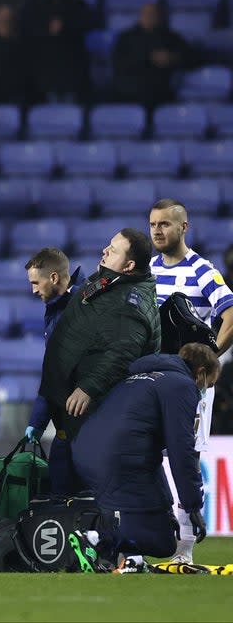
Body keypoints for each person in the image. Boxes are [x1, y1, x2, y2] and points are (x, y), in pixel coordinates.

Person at [68, 344, 216, 573]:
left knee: (161, 518)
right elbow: (182, 450)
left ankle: (133, 559)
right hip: (120, 456)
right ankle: (96, 538)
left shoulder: (138, 378)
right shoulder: (182, 386)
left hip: (89, 450)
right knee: (163, 541)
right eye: (210, 383)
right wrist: (193, 505)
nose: (206, 389)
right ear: (201, 372)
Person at [147, 199, 233, 565]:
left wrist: (209, 359)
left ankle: (183, 551)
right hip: (153, 379)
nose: (157, 231)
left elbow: (230, 315)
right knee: (147, 455)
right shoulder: (148, 268)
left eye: (165, 224)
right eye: (152, 224)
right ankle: (142, 542)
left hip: (190, 385)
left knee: (187, 456)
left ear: (184, 227)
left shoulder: (202, 270)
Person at [39, 228, 161, 441]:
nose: (104, 251)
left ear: (128, 266)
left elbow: (123, 351)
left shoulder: (131, 301)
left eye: (113, 250)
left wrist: (88, 388)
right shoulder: (107, 281)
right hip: (73, 412)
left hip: (95, 413)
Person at [23, 248, 85, 495]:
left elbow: (58, 372)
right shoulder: (59, 307)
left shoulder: (79, 307)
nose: (34, 290)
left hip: (83, 421)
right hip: (68, 420)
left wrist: (37, 420)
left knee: (77, 497)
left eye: (36, 283)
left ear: (55, 278)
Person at [22, 0, 93, 103]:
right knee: (50, 103)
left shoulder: (76, 3)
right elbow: (29, 25)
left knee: (70, 103)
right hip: (46, 61)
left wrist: (65, 26)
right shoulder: (37, 4)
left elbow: (87, 22)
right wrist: (47, 29)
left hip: (71, 59)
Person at [113, 3, 195, 109]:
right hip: (127, 88)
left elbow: (192, 56)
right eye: (147, 14)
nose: (149, 17)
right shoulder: (126, 37)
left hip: (158, 90)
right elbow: (119, 63)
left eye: (153, 14)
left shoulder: (170, 37)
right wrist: (149, 58)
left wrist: (173, 58)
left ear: (160, 17)